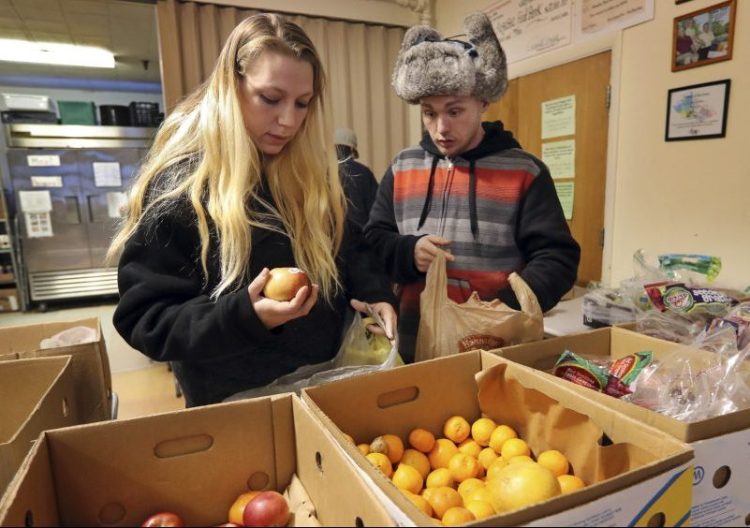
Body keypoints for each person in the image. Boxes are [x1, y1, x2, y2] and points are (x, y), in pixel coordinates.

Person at [108, 13, 397, 407]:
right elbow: (147, 320)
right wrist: (246, 315)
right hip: (237, 403)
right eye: (270, 99)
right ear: (231, 86)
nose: (288, 121)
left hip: (326, 382)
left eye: (303, 104)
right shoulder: (180, 191)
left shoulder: (313, 177)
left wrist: (374, 293)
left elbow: (350, 249)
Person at [365, 12, 581, 362]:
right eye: (429, 113)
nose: (440, 128)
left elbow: (558, 258)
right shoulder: (402, 167)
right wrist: (408, 251)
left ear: (482, 101)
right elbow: (373, 239)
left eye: (454, 111)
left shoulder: (525, 171)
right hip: (412, 342)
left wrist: (505, 310)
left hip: (493, 346)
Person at [335, 127, 379, 228]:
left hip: (334, 237)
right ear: (352, 150)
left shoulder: (324, 174)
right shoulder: (364, 173)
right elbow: (376, 209)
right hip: (362, 236)